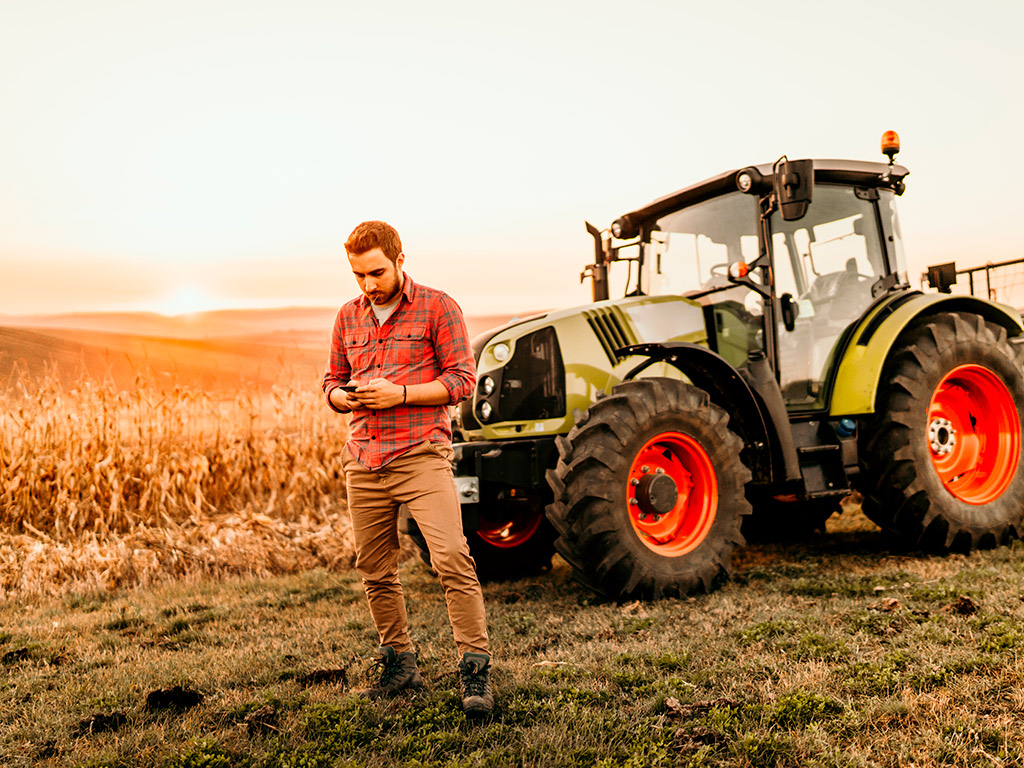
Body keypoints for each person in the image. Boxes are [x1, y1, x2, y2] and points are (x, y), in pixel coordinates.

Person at [322, 220, 493, 717]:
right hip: (364, 458)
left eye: (376, 272)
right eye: (358, 276)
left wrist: (399, 394)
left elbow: (462, 380)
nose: (368, 285)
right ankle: (399, 667)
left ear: (399, 260)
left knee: (451, 559)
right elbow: (331, 379)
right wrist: (341, 396)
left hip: (421, 454)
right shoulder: (348, 316)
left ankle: (475, 670)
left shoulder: (439, 306)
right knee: (374, 569)